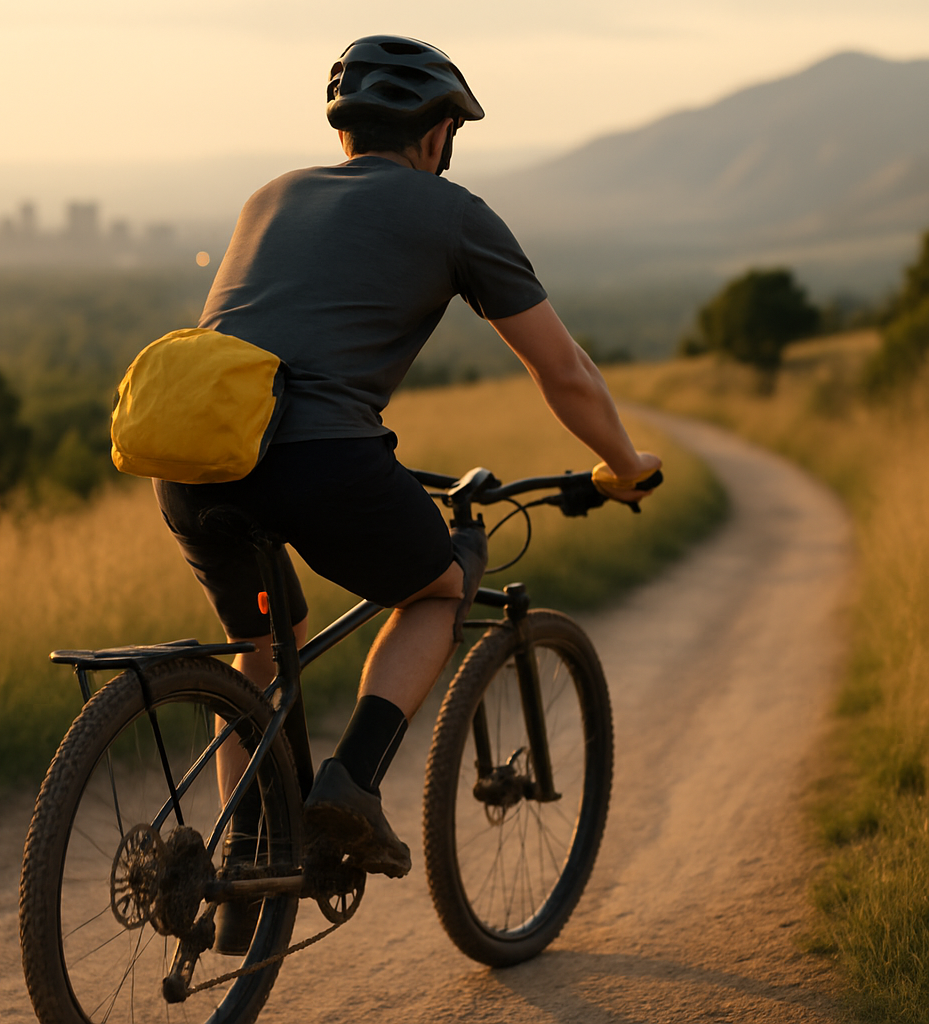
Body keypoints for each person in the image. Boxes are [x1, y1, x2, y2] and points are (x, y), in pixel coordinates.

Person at [152, 35, 661, 954]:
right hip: (320, 459)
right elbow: (566, 372)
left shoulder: (271, 195)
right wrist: (624, 463)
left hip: (192, 459)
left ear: (345, 132)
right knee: (438, 588)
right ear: (438, 135)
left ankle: (241, 880)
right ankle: (350, 783)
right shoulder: (454, 213)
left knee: (261, 648)